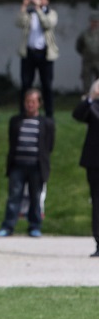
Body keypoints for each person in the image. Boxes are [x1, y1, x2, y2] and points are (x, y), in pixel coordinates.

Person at [0, 88, 54, 238]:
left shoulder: (46, 123)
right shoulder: (16, 121)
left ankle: (35, 226)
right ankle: (8, 226)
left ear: (39, 103)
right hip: (18, 165)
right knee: (14, 196)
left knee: (35, 197)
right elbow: (12, 141)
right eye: (27, 101)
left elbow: (49, 145)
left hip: (36, 166)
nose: (30, 105)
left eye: (33, 102)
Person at [17, 0, 58, 117]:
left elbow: (47, 24)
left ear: (47, 0)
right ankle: (24, 113)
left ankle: (49, 114)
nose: (38, 0)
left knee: (47, 85)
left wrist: (39, 9)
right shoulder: (30, 13)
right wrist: (24, 5)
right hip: (29, 53)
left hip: (45, 54)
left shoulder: (51, 13)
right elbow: (18, 22)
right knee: (25, 84)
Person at [72, 78, 99, 257]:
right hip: (95, 162)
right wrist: (91, 97)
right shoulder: (93, 106)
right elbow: (77, 115)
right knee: (97, 202)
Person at [75, 14, 99, 92]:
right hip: (87, 62)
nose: (95, 23)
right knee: (86, 82)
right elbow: (79, 46)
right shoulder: (85, 33)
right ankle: (87, 99)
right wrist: (85, 53)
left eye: (96, 22)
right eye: (93, 21)